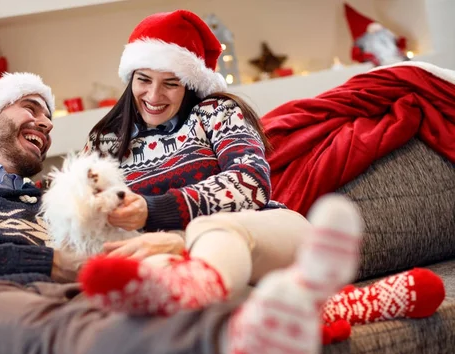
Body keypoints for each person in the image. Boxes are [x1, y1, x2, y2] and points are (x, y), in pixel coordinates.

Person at [0, 69, 366, 354]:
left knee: (161, 296)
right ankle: (240, 341)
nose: (45, 121)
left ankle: (290, 322)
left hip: (78, 292)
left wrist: (167, 244)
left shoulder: (57, 199)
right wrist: (56, 265)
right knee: (67, 336)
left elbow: (121, 246)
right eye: (28, 107)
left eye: (48, 114)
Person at [77, 10, 445, 328]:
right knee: (149, 267)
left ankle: (211, 291)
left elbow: (250, 183)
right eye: (144, 79)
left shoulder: (215, 113)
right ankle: (319, 310)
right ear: (131, 78)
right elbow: (75, 210)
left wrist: (159, 214)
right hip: (171, 256)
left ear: (188, 84)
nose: (154, 95)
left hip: (264, 234)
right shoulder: (103, 143)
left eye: (170, 83)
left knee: (208, 230)